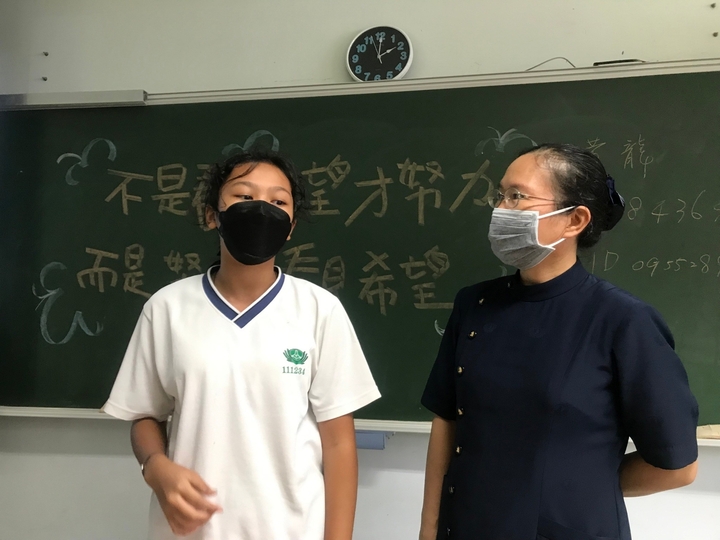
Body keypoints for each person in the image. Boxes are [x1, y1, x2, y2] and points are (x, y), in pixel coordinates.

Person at [419, 143, 698, 540]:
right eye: (501, 195)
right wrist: (429, 529)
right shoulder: (474, 305)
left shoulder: (622, 320)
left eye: (517, 196)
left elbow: (677, 466)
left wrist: (575, 489)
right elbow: (447, 420)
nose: (501, 209)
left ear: (575, 220)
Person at [103, 147, 380, 540]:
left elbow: (338, 445)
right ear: (212, 214)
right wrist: (155, 467)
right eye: (244, 195)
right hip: (191, 532)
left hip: (293, 530)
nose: (261, 209)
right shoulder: (167, 308)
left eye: (278, 202)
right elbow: (145, 414)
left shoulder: (319, 310)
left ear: (290, 226)